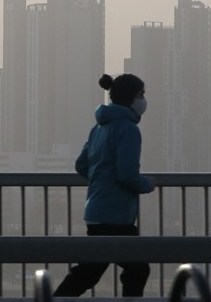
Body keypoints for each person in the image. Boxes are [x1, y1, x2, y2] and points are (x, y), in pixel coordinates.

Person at [53, 73, 156, 297]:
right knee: (134, 269)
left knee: (95, 270)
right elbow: (127, 175)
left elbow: (82, 165)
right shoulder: (128, 129)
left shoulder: (99, 127)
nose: (143, 99)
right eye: (141, 94)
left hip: (97, 211)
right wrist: (148, 184)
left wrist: (102, 181)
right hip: (115, 215)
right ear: (131, 97)